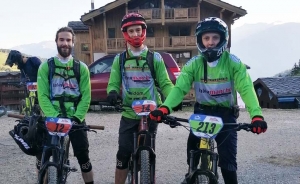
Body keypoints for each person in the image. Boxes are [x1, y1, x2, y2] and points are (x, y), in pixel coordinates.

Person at [149, 17, 268, 184]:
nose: (210, 43)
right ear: (200, 40)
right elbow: (179, 88)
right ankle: (191, 173)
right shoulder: (194, 64)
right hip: (202, 113)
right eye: (206, 38)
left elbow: (246, 89)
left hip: (226, 115)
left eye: (215, 38)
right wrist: (165, 108)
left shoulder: (234, 63)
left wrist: (256, 116)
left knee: (228, 163)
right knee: (192, 150)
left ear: (223, 39)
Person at [106, 12, 178, 184]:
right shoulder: (120, 59)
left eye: (138, 30)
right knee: (123, 154)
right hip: (129, 113)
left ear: (144, 31)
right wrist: (112, 92)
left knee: (149, 153)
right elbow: (113, 82)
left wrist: (173, 98)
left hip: (151, 113)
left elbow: (165, 83)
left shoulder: (155, 58)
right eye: (131, 31)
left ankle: (146, 172)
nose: (135, 34)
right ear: (126, 34)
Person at [37, 27, 94, 184]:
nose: (65, 43)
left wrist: (77, 117)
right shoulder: (46, 66)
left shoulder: (81, 68)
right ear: (56, 42)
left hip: (74, 118)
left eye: (68, 40)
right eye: (61, 40)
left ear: (73, 42)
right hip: (52, 118)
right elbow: (42, 95)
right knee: (42, 156)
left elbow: (86, 97)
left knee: (84, 158)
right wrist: (53, 116)